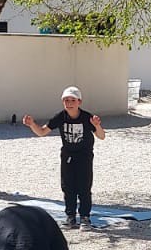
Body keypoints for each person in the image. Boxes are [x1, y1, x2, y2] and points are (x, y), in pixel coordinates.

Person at [22, 86, 104, 228]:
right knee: (68, 187)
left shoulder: (87, 117)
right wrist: (32, 124)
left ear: (79, 102)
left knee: (84, 187)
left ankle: (85, 217)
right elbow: (42, 132)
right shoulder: (60, 117)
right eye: (66, 100)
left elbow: (101, 136)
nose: (69, 103)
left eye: (72, 100)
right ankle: (70, 216)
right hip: (67, 156)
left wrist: (97, 126)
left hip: (84, 157)